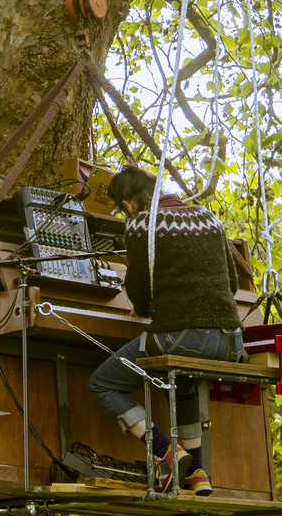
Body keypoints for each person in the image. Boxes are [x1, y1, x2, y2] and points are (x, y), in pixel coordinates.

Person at [88, 166, 244, 496]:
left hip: (184, 337)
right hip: (231, 340)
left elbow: (141, 297)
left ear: (128, 203)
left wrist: (142, 305)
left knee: (102, 383)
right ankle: (197, 472)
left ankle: (167, 452)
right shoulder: (207, 217)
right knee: (183, 381)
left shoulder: (141, 222)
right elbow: (231, 284)